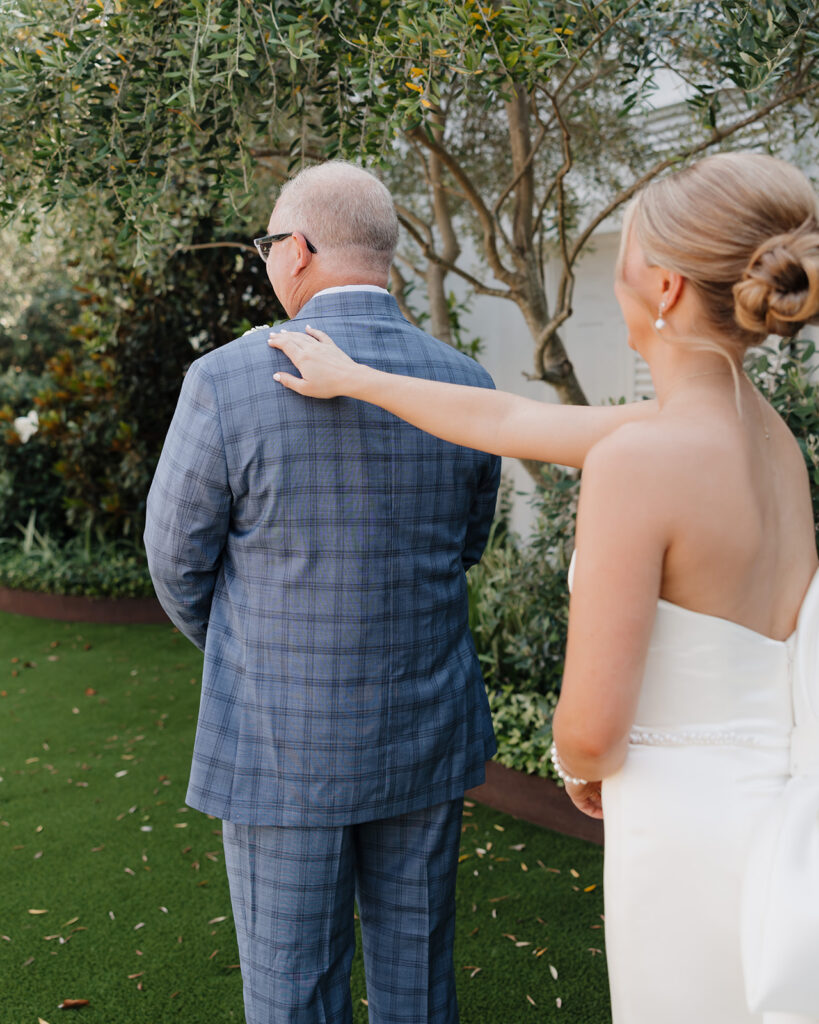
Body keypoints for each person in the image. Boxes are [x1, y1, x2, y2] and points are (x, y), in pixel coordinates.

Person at [268, 151, 819, 1024]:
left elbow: (591, 732)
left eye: (626, 247)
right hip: (781, 825)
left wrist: (575, 760)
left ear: (664, 287)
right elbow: (512, 421)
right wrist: (359, 379)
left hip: (687, 835)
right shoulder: (767, 436)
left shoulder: (643, 460)